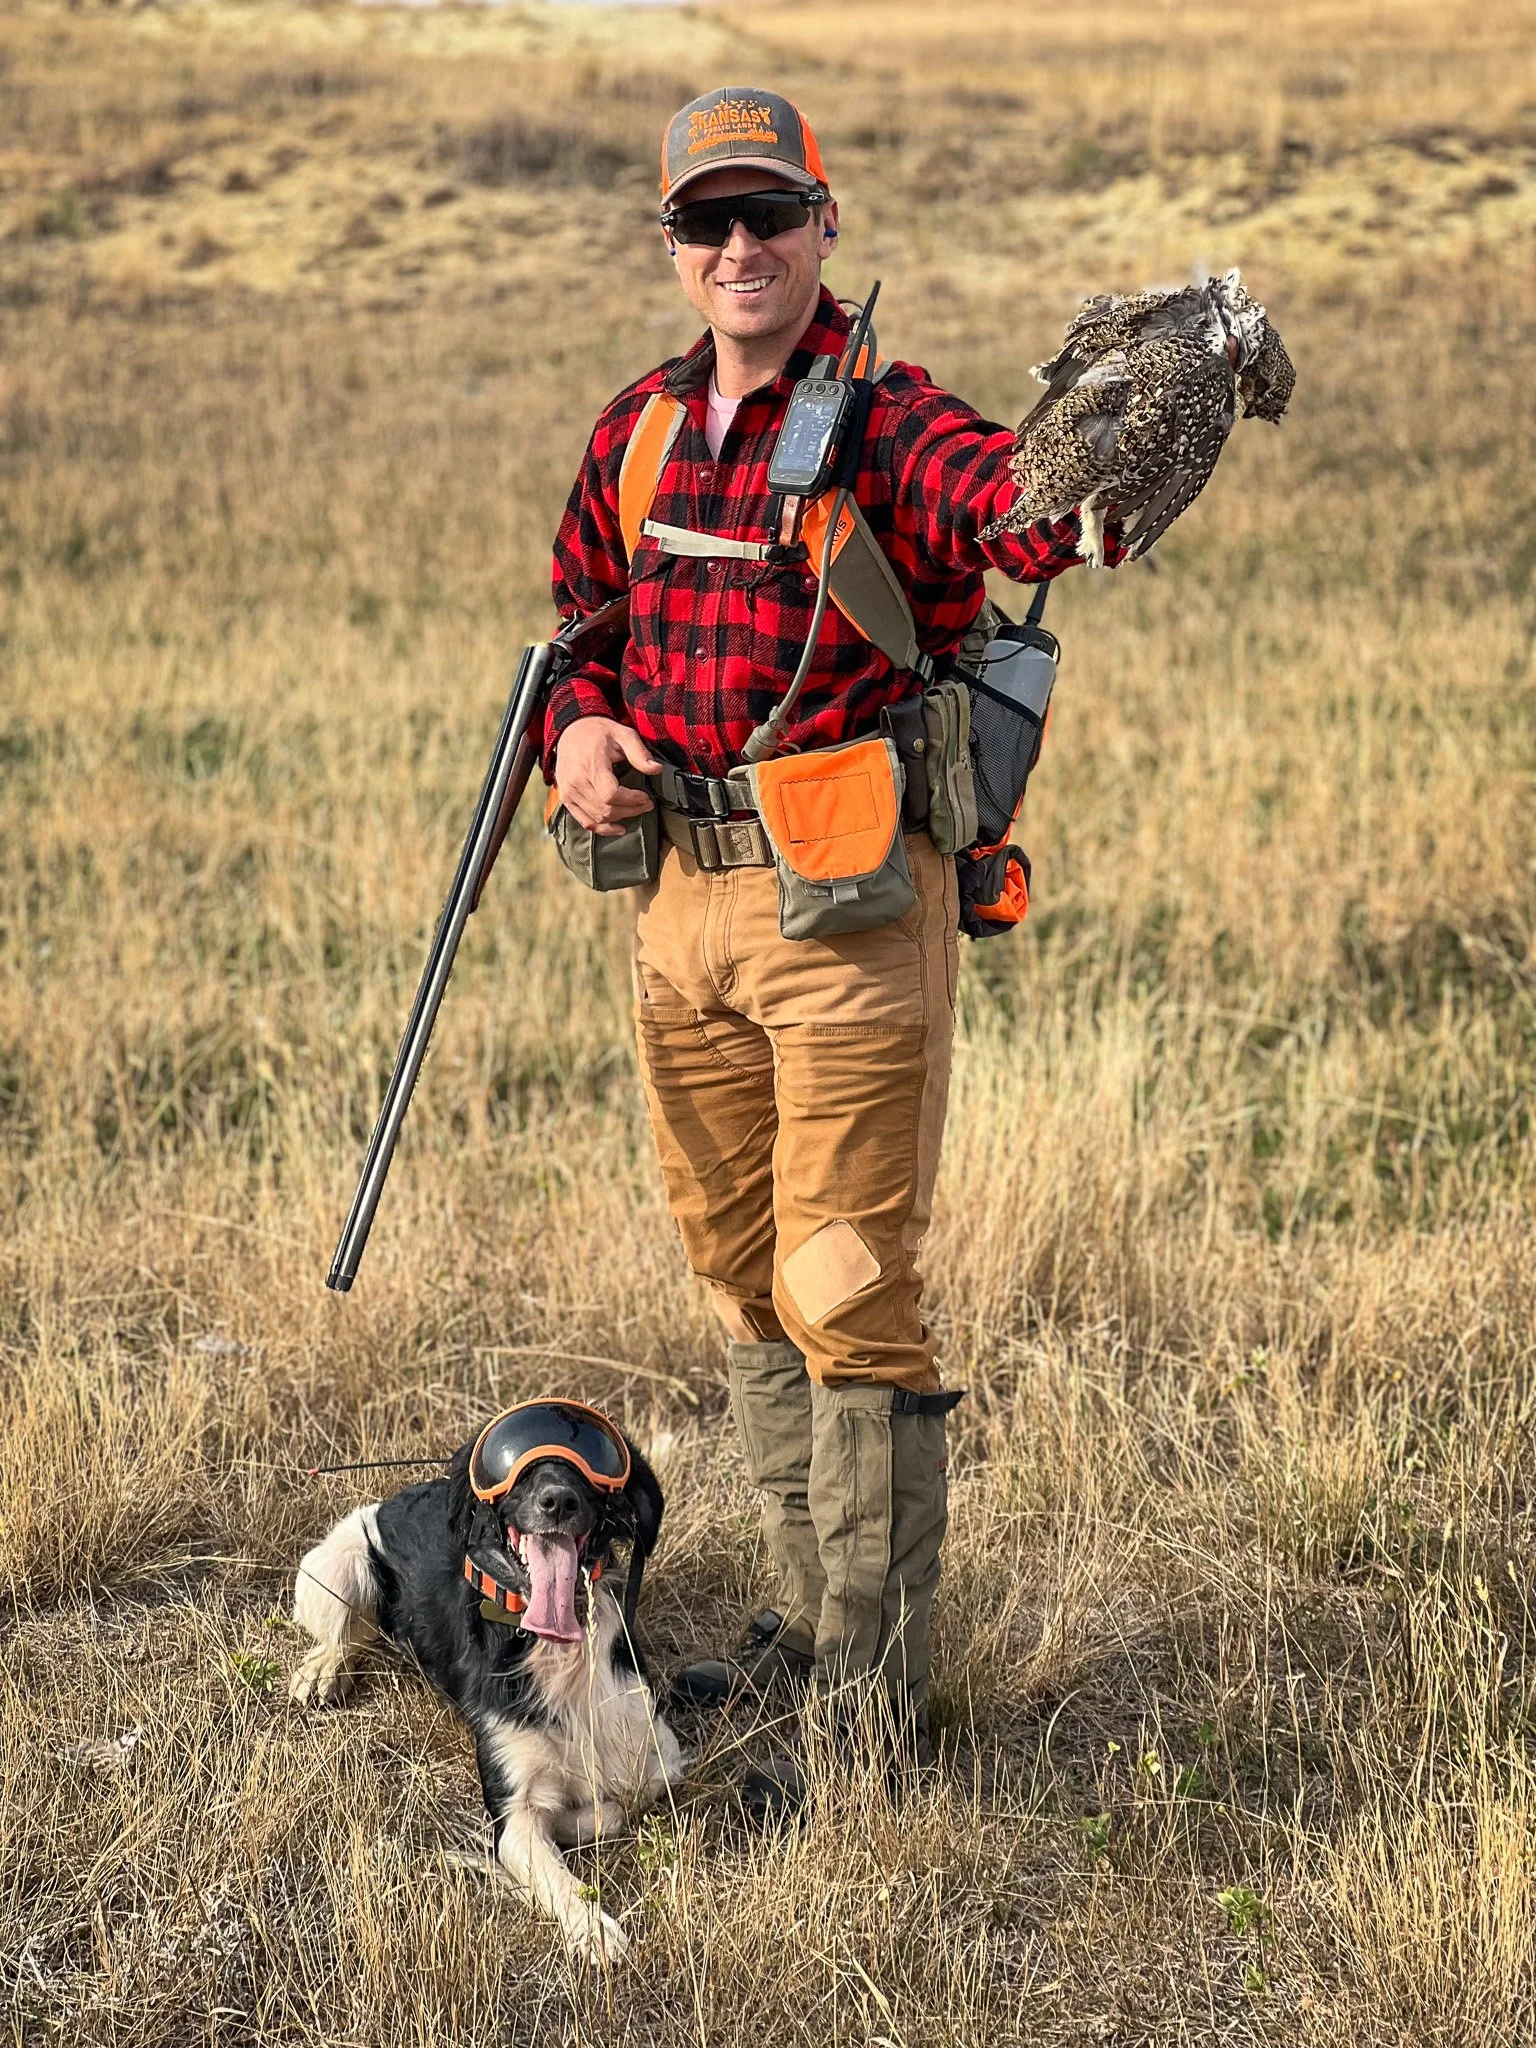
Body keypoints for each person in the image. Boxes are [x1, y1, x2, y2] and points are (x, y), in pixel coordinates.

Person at [545, 86, 1118, 1790]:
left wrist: (1101, 448)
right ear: (672, 243)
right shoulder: (641, 430)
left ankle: (873, 1712)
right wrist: (576, 737)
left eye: (769, 217)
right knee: (736, 1272)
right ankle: (806, 1629)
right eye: (707, 222)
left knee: (846, 1279)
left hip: (848, 898)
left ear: (825, 223)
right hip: (677, 901)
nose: (741, 249)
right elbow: (574, 628)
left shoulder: (887, 421)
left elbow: (1013, 514)